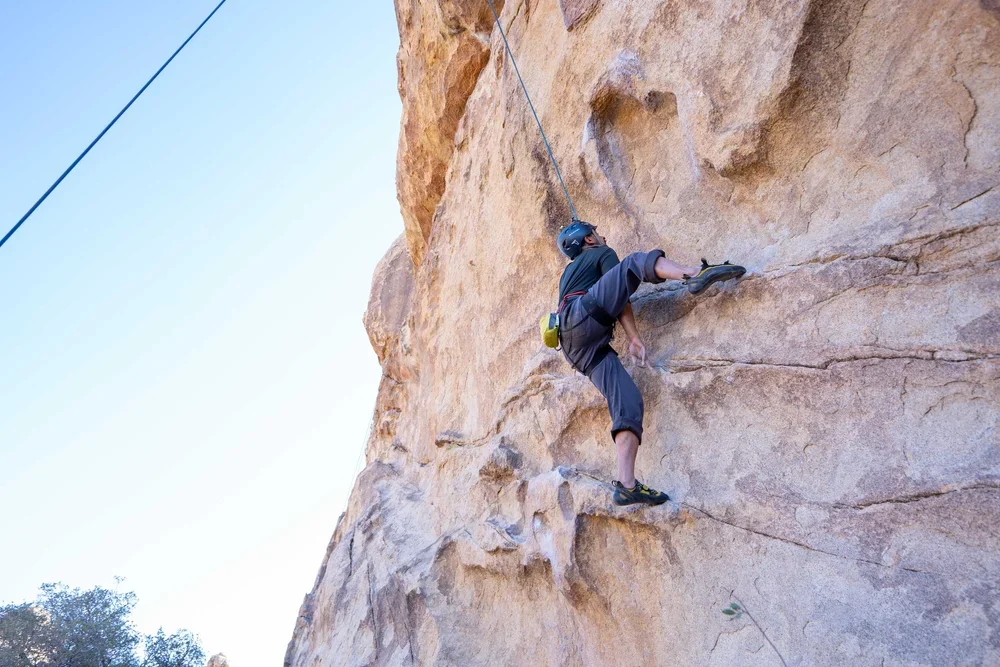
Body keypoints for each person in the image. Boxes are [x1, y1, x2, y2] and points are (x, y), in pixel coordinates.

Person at [555, 220, 745, 506]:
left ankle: (626, 485)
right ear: (589, 240)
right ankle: (695, 273)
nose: (603, 234)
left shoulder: (570, 272)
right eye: (596, 232)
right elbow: (621, 294)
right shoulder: (600, 253)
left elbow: (611, 296)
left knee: (627, 402)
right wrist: (633, 337)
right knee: (634, 262)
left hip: (576, 347)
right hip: (582, 318)